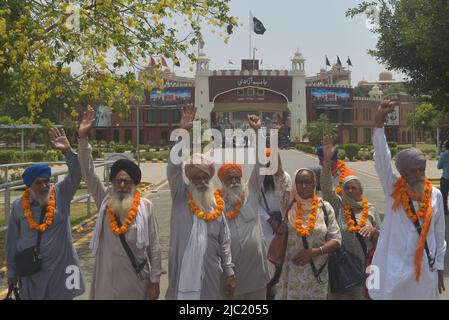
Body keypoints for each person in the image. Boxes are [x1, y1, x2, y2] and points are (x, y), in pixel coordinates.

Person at [77, 108, 162, 300]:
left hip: (137, 283)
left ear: (133, 184)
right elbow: (88, 172)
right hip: (107, 283)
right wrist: (83, 138)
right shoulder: (104, 200)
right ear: (112, 183)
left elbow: (154, 248)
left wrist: (155, 281)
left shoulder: (146, 207)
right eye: (118, 180)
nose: (122, 185)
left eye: (127, 181)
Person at [370, 100, 446, 299]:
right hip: (395, 271)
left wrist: (439, 268)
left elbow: (439, 235)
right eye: (413, 170)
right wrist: (379, 123)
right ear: (402, 172)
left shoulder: (435, 195)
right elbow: (382, 159)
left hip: (425, 271)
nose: (419, 174)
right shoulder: (392, 189)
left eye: (422, 169)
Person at [165, 104, 235, 300]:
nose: (202, 181)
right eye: (197, 178)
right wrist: (182, 133)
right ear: (190, 180)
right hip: (182, 274)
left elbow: (225, 242)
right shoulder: (180, 196)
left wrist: (229, 271)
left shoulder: (216, 205)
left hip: (212, 276)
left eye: (206, 177)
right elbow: (173, 169)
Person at [5, 128, 85, 300]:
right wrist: (11, 271)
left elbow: (77, 174)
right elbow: (12, 240)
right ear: (29, 186)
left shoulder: (61, 193)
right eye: (38, 183)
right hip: (31, 272)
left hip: (61, 270)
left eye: (46, 181)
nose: (44, 186)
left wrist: (67, 152)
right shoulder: (19, 206)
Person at [217, 115, 271, 300]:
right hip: (230, 279)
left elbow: (262, 163)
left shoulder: (251, 193)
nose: (233, 182)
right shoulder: (216, 205)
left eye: (236, 178)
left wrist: (258, 132)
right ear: (222, 182)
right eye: (228, 179)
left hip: (256, 276)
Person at [320, 136, 381, 300]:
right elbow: (326, 187)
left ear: (360, 190)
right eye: (346, 188)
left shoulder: (371, 210)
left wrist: (374, 231)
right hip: (343, 266)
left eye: (353, 188)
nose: (350, 191)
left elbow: (383, 240)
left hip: (368, 266)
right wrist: (327, 160)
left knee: (367, 297)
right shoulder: (338, 205)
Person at [275, 165, 341, 300]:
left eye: (308, 182)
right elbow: (279, 176)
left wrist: (314, 252)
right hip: (291, 275)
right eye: (300, 182)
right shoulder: (288, 205)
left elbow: (337, 240)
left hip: (316, 276)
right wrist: (271, 145)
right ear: (294, 184)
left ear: (314, 184)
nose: (304, 186)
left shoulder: (325, 208)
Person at [258, 148, 292, 299]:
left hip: (284, 226)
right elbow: (255, 204)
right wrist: (269, 219)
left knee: (282, 263)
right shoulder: (258, 181)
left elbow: (290, 200)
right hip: (266, 228)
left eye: (273, 162)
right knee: (268, 265)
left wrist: (283, 220)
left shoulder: (285, 177)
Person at [437, 141, 449, 215]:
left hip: (445, 178)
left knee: (444, 195)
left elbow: (439, 166)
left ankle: (445, 211)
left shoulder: (443, 155)